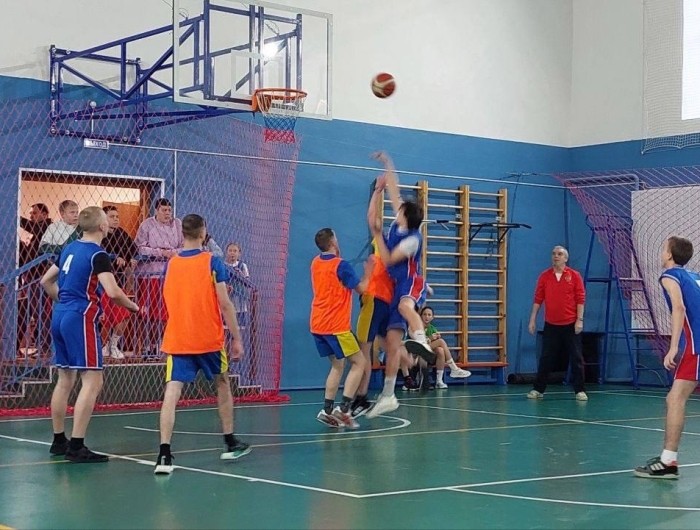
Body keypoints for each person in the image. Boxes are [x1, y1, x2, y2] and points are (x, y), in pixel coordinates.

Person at [40, 207, 139, 463]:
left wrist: (63, 300)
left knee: (65, 379)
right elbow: (113, 291)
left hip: (60, 314)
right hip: (80, 317)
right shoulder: (98, 254)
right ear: (102, 227)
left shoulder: (69, 248)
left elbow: (45, 281)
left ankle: (59, 440)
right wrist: (133, 306)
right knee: (93, 380)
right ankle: (77, 445)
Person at [154, 214, 249, 475]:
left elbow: (168, 298)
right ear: (203, 232)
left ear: (182, 233)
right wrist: (237, 338)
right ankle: (229, 441)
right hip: (208, 338)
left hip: (179, 337)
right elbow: (225, 303)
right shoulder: (212, 261)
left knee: (172, 391)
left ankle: (164, 454)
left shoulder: (172, 264)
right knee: (222, 383)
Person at [366, 152, 436, 418]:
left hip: (410, 281)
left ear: (406, 217)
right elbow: (394, 189)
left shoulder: (411, 241)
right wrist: (387, 163)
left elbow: (387, 259)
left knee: (407, 308)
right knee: (392, 345)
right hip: (397, 286)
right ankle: (388, 395)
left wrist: (376, 234)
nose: (398, 208)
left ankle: (422, 341)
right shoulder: (401, 220)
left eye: (401, 210)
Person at [634, 236, 700, 479]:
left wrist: (673, 347)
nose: (662, 252)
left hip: (697, 346)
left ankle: (668, 461)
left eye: (664, 248)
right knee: (675, 398)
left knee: (675, 398)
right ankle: (668, 460)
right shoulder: (694, 276)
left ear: (670, 255)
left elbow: (679, 308)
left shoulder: (670, 275)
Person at [310, 228, 372, 429]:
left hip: (318, 324)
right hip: (336, 326)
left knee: (337, 365)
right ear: (333, 242)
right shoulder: (341, 266)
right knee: (359, 362)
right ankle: (344, 409)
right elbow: (362, 289)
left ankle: (327, 410)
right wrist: (370, 273)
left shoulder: (315, 262)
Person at [527, 245, 587, 401]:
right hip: (551, 324)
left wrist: (579, 320)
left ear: (566, 258)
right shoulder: (545, 276)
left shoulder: (574, 276)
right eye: (554, 254)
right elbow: (538, 298)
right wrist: (532, 319)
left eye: (560, 254)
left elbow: (580, 299)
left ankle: (580, 390)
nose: (556, 256)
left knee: (576, 358)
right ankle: (538, 389)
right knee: (546, 358)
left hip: (570, 323)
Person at [134, 198, 183, 358]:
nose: (167, 213)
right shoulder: (147, 225)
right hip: (150, 275)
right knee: (148, 313)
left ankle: (162, 345)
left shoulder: (178, 224)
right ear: (156, 210)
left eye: (169, 210)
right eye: (164, 210)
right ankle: (146, 346)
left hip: (171, 274)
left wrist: (173, 253)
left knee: (166, 312)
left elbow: (184, 246)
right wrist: (160, 252)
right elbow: (139, 248)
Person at [101, 205, 139, 359]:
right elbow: (100, 252)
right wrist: (114, 257)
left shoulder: (121, 233)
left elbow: (133, 249)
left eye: (117, 217)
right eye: (112, 217)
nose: (116, 219)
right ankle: (104, 345)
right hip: (103, 283)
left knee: (123, 315)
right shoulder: (99, 234)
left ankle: (113, 344)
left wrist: (132, 258)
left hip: (119, 282)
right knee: (105, 317)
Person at [420, 306, 471, 388]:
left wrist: (436, 337)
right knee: (441, 342)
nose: (427, 317)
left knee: (440, 350)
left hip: (429, 354)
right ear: (421, 316)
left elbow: (435, 345)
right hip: (418, 353)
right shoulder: (417, 327)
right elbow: (418, 343)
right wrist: (430, 338)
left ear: (432, 317)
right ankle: (454, 368)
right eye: (424, 314)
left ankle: (439, 381)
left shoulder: (432, 328)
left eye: (429, 315)